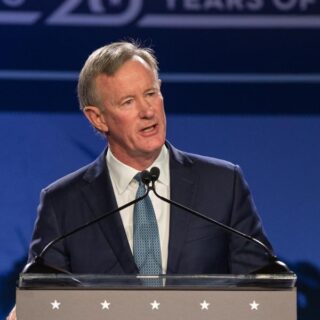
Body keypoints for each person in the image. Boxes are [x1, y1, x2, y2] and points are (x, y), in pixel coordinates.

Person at [7, 40, 274, 319]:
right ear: (97, 118)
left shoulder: (222, 184)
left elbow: (262, 287)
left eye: (151, 93)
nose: (147, 111)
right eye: (128, 101)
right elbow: (45, 302)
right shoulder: (62, 204)